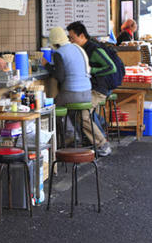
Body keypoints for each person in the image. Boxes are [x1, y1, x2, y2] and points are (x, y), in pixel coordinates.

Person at [67, 21, 115, 157]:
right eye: (69, 38)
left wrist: (91, 70)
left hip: (98, 90)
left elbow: (111, 67)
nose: (70, 41)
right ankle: (87, 139)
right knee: (76, 112)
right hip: (87, 89)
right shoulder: (80, 50)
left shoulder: (94, 50)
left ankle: (102, 144)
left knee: (83, 115)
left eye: (72, 38)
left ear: (82, 36)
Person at [43, 26, 91, 106]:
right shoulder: (78, 47)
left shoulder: (59, 53)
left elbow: (60, 77)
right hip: (87, 93)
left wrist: (46, 65)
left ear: (54, 43)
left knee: (51, 107)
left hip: (72, 94)